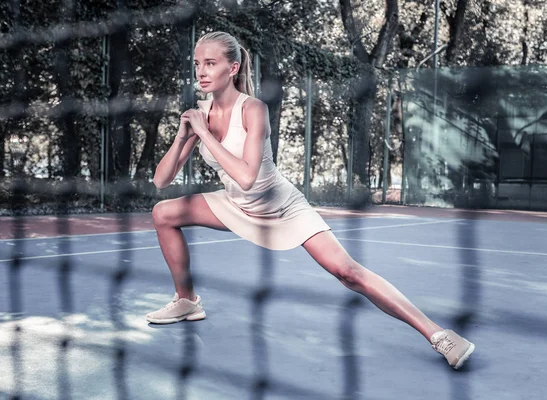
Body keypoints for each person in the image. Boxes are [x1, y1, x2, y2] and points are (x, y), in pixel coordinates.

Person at [147, 31, 475, 370]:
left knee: (348, 272)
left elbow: (247, 175)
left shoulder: (253, 109)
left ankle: (439, 335)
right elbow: (161, 180)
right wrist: (184, 135)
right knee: (163, 213)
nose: (201, 71)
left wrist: (202, 133)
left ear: (232, 68)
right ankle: (186, 301)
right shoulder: (200, 114)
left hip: (282, 206)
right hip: (234, 204)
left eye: (210, 64)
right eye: (198, 64)